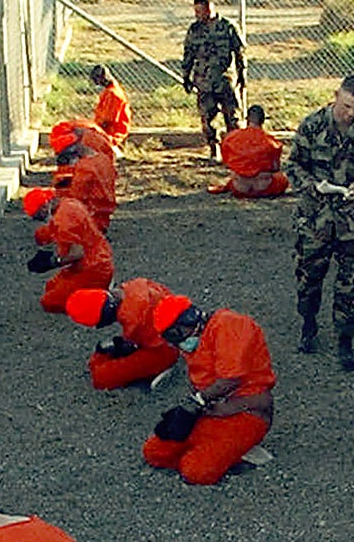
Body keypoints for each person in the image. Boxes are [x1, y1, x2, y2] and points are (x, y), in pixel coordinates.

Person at [288, 74, 354, 372]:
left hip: (351, 222)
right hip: (314, 219)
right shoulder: (312, 125)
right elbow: (293, 165)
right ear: (335, 96)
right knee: (308, 279)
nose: (350, 113)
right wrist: (311, 185)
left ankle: (346, 341)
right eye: (346, 106)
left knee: (350, 283)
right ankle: (308, 325)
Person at [141, 297, 276, 485]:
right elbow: (202, 383)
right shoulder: (194, 338)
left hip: (246, 410)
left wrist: (196, 401)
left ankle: (235, 451)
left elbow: (230, 379)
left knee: (197, 472)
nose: (175, 342)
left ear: (188, 320)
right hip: (212, 410)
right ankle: (226, 451)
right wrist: (190, 409)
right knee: (154, 452)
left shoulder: (230, 325)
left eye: (174, 334)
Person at [68, 280, 182, 390]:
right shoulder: (130, 288)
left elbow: (142, 343)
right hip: (173, 330)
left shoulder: (132, 316)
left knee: (101, 377)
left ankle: (161, 367)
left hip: (165, 348)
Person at [182, 0, 246, 158]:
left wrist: (242, 74)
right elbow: (188, 54)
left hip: (225, 80)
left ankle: (235, 151)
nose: (198, 15)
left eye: (201, 11)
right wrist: (186, 77)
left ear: (210, 8)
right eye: (196, 11)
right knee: (207, 119)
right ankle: (214, 149)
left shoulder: (227, 26)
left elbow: (239, 52)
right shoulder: (195, 30)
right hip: (203, 81)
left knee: (233, 117)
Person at [27, 194, 113, 313]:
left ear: (43, 207)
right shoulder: (68, 204)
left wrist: (52, 261)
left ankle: (99, 296)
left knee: (49, 302)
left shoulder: (63, 220)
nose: (41, 219)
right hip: (94, 260)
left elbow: (76, 253)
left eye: (38, 216)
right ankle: (95, 291)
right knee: (50, 286)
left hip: (93, 268)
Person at [212, 105, 290, 198]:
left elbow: (227, 163)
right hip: (264, 188)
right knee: (283, 179)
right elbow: (275, 168)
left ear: (247, 119)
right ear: (263, 121)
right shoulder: (271, 142)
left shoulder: (231, 138)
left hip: (240, 188)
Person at [89, 65, 131, 155]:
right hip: (106, 130)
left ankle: (114, 151)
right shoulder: (110, 90)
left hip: (112, 133)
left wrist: (93, 130)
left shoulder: (113, 94)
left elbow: (108, 121)